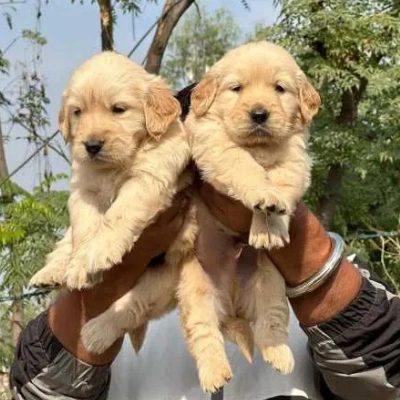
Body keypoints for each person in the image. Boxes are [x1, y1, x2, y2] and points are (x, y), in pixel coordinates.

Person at [9, 87, 400, 400]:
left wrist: (292, 234)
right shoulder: (121, 297)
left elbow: (386, 383)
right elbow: (36, 390)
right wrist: (124, 266)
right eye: (197, 168)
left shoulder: (328, 283)